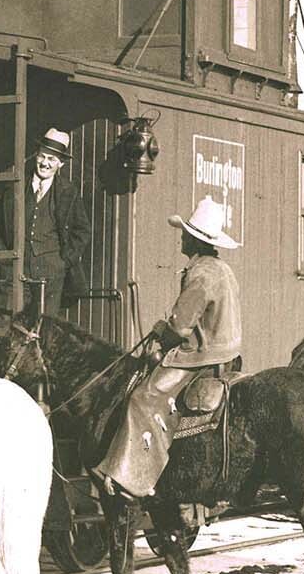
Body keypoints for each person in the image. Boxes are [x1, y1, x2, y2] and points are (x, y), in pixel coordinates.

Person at [93, 196, 241, 498]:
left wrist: (162, 335)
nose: (182, 238)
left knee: (142, 398)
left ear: (195, 240)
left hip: (200, 355)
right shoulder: (222, 269)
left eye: (186, 234)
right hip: (227, 351)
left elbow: (181, 325)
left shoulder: (201, 273)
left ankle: (133, 480)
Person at [0, 127, 91, 321]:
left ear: (61, 164)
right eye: (42, 157)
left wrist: (63, 261)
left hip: (51, 275)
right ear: (36, 156)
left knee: (44, 328)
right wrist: (4, 257)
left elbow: (82, 230)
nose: (45, 163)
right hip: (14, 271)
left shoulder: (68, 191)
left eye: (52, 160)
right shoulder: (16, 187)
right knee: (7, 323)